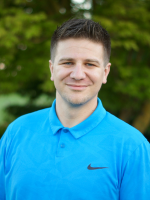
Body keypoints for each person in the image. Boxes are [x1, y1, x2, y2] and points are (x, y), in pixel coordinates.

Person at [0, 18, 150, 200]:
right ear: (52, 69)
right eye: (68, 63)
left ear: (105, 72)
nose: (78, 75)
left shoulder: (133, 147)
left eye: (90, 64)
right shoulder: (17, 132)